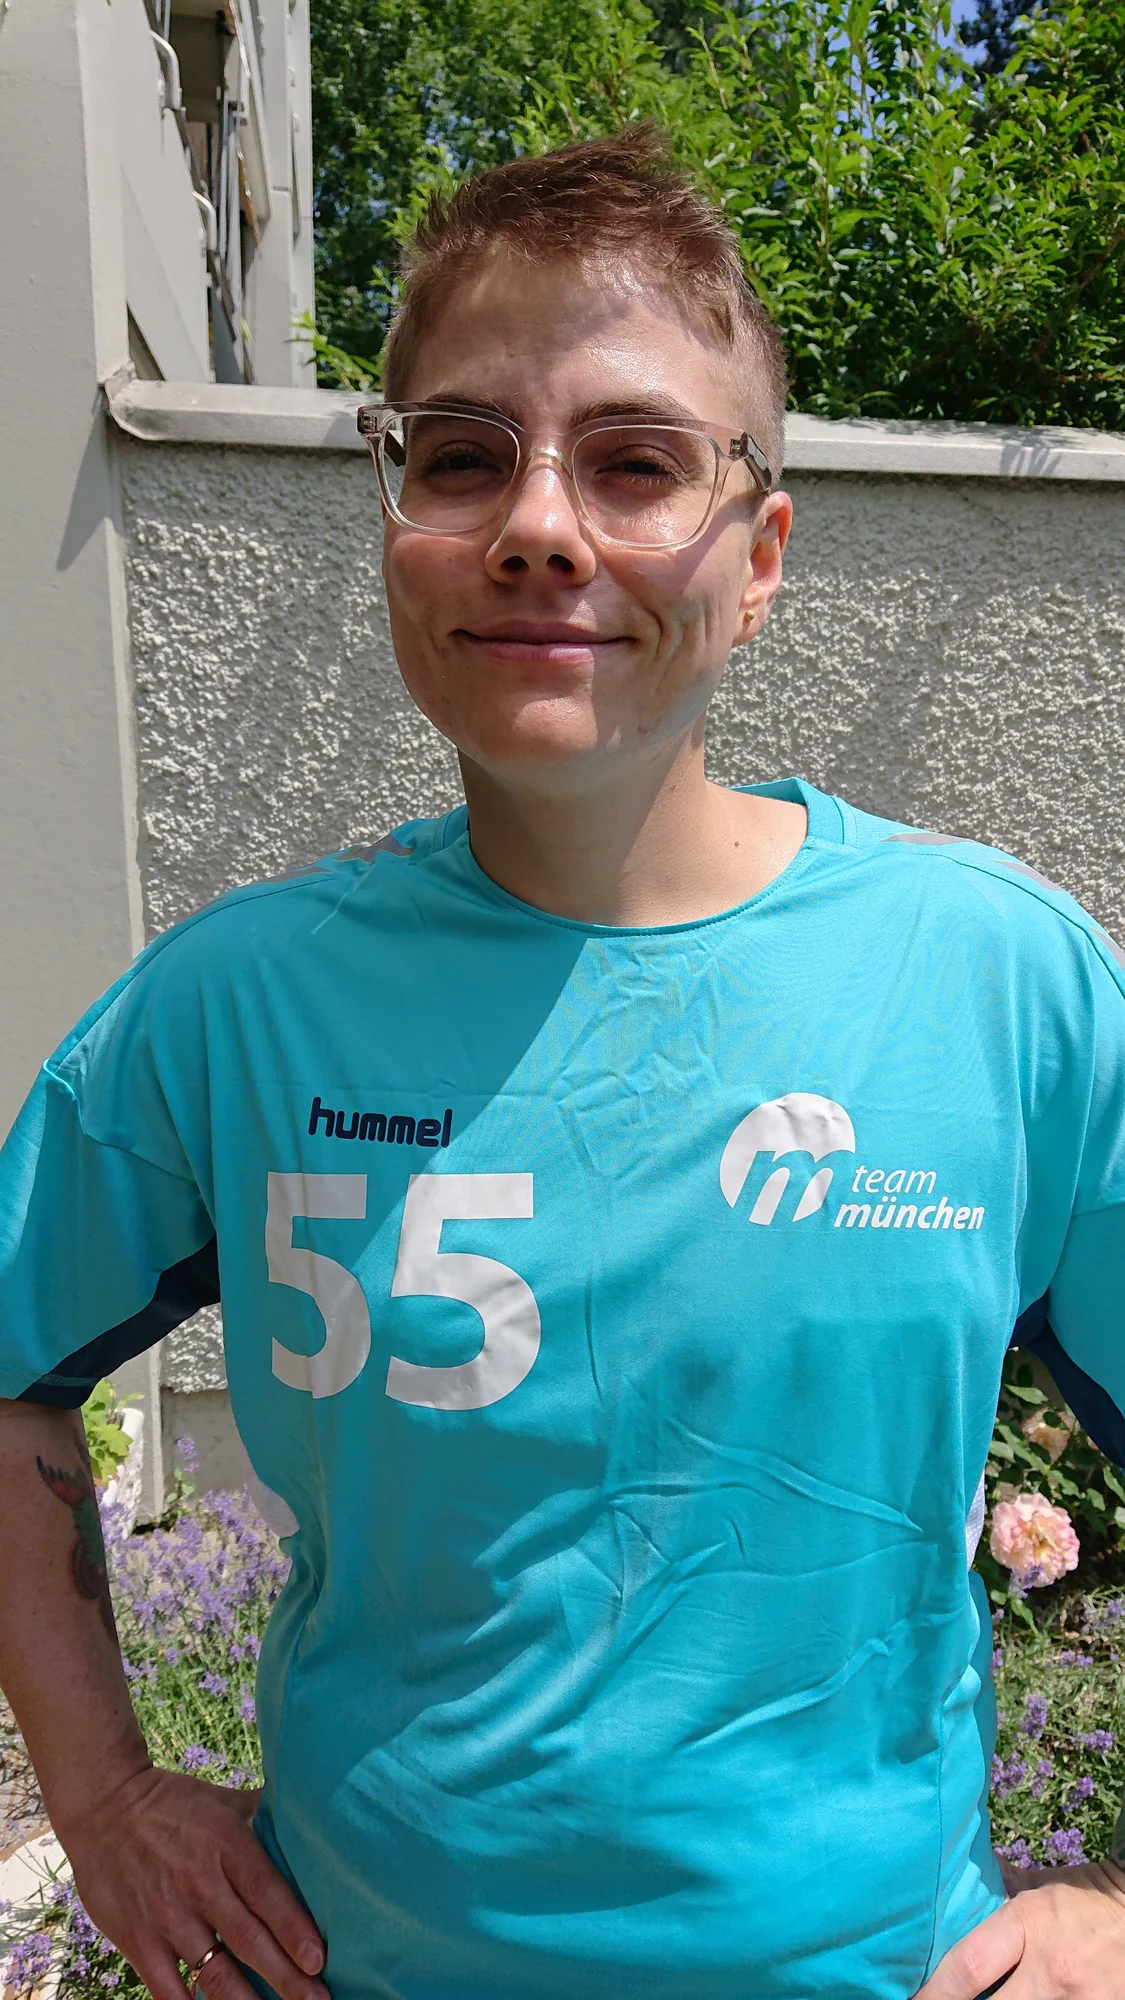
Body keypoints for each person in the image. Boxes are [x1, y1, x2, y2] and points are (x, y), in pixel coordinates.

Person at [0, 126, 1123, 2000]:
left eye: (635, 461)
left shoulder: (1002, 985)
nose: (539, 522)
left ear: (758, 558)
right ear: (396, 531)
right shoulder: (234, 1008)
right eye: (462, 454)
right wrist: (103, 1801)